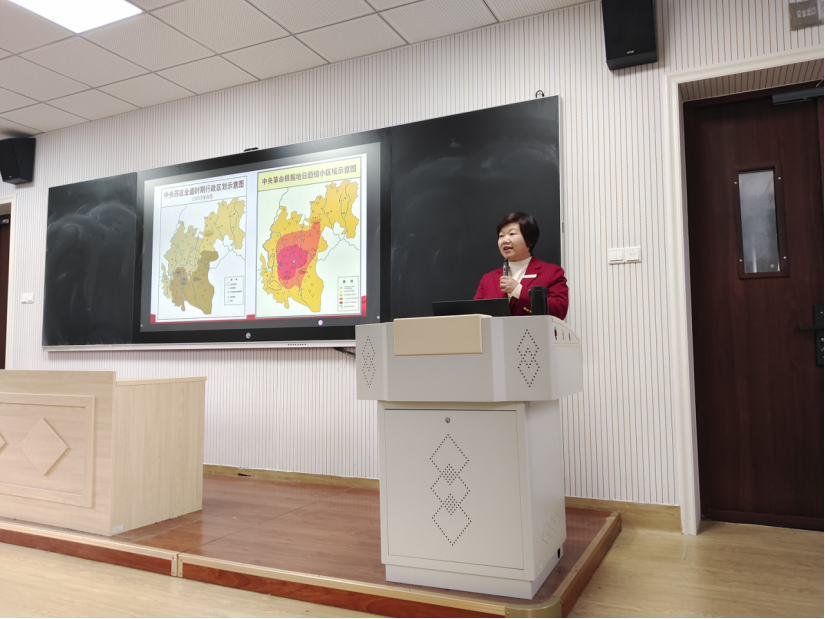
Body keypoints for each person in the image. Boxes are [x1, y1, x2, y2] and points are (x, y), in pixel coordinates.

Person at [474, 212, 568, 319]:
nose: (505, 240)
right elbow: (475, 316)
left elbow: (559, 311)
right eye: (501, 236)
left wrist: (518, 290)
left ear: (530, 240)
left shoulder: (552, 272)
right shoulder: (488, 279)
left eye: (512, 234)